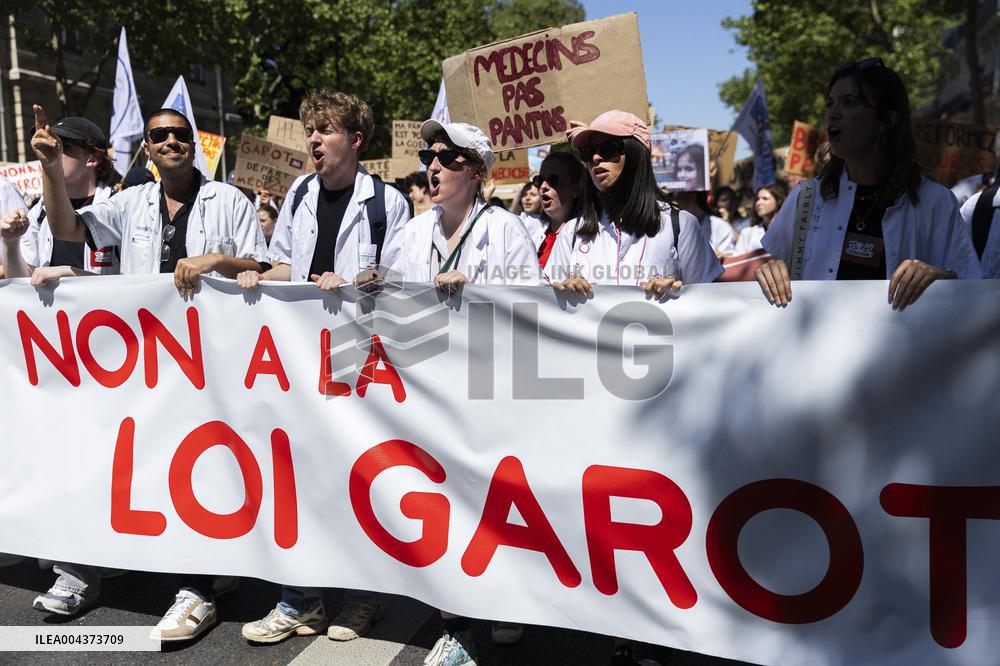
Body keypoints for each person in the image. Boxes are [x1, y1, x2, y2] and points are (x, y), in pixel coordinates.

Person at [30, 102, 268, 640]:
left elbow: (265, 266)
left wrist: (217, 261)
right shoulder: (129, 201)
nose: (169, 142)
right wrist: (49, 166)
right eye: (159, 136)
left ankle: (198, 587)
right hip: (147, 364)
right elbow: (69, 228)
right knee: (144, 463)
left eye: (180, 134)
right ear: (149, 148)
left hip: (212, 362)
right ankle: (107, 570)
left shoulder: (227, 199)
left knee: (204, 468)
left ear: (194, 142)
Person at [237, 89, 409, 646]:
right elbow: (288, 261)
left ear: (354, 141)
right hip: (300, 359)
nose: (313, 139)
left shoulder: (388, 202)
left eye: (326, 130)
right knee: (298, 476)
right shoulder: (300, 192)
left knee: (357, 475)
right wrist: (262, 275)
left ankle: (364, 595)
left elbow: (399, 281)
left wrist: (356, 280)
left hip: (358, 358)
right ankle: (299, 599)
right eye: (311, 129)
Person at [755, 58, 981, 309]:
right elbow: (775, 275)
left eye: (849, 103)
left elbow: (972, 290)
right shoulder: (805, 197)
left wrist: (942, 277)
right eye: (830, 103)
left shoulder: (935, 201)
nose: (833, 112)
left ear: (886, 121)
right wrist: (771, 269)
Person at [547, 110, 722, 297]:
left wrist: (678, 294)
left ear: (635, 154)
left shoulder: (681, 225)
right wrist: (562, 291)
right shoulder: (571, 232)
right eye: (588, 152)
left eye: (608, 149)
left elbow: (708, 304)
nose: (596, 158)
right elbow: (545, 308)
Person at [5, 116, 119, 288]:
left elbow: (133, 284)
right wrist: (11, 243)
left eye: (61, 146)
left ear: (92, 159)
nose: (50, 153)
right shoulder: (39, 212)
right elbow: (21, 283)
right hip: (52, 315)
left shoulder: (118, 208)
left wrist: (67, 272)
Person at [532, 152, 595, 268]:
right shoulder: (533, 235)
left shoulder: (590, 236)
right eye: (539, 180)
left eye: (553, 179)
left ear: (576, 188)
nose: (543, 186)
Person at [671, 190, 736, 256]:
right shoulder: (672, 228)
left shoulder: (720, 226)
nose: (674, 203)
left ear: (693, 197)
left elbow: (728, 257)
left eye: (678, 198)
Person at [732, 185, 786, 256]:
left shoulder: (789, 231)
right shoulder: (747, 233)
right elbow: (737, 260)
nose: (758, 203)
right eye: (757, 199)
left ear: (778, 201)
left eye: (765, 198)